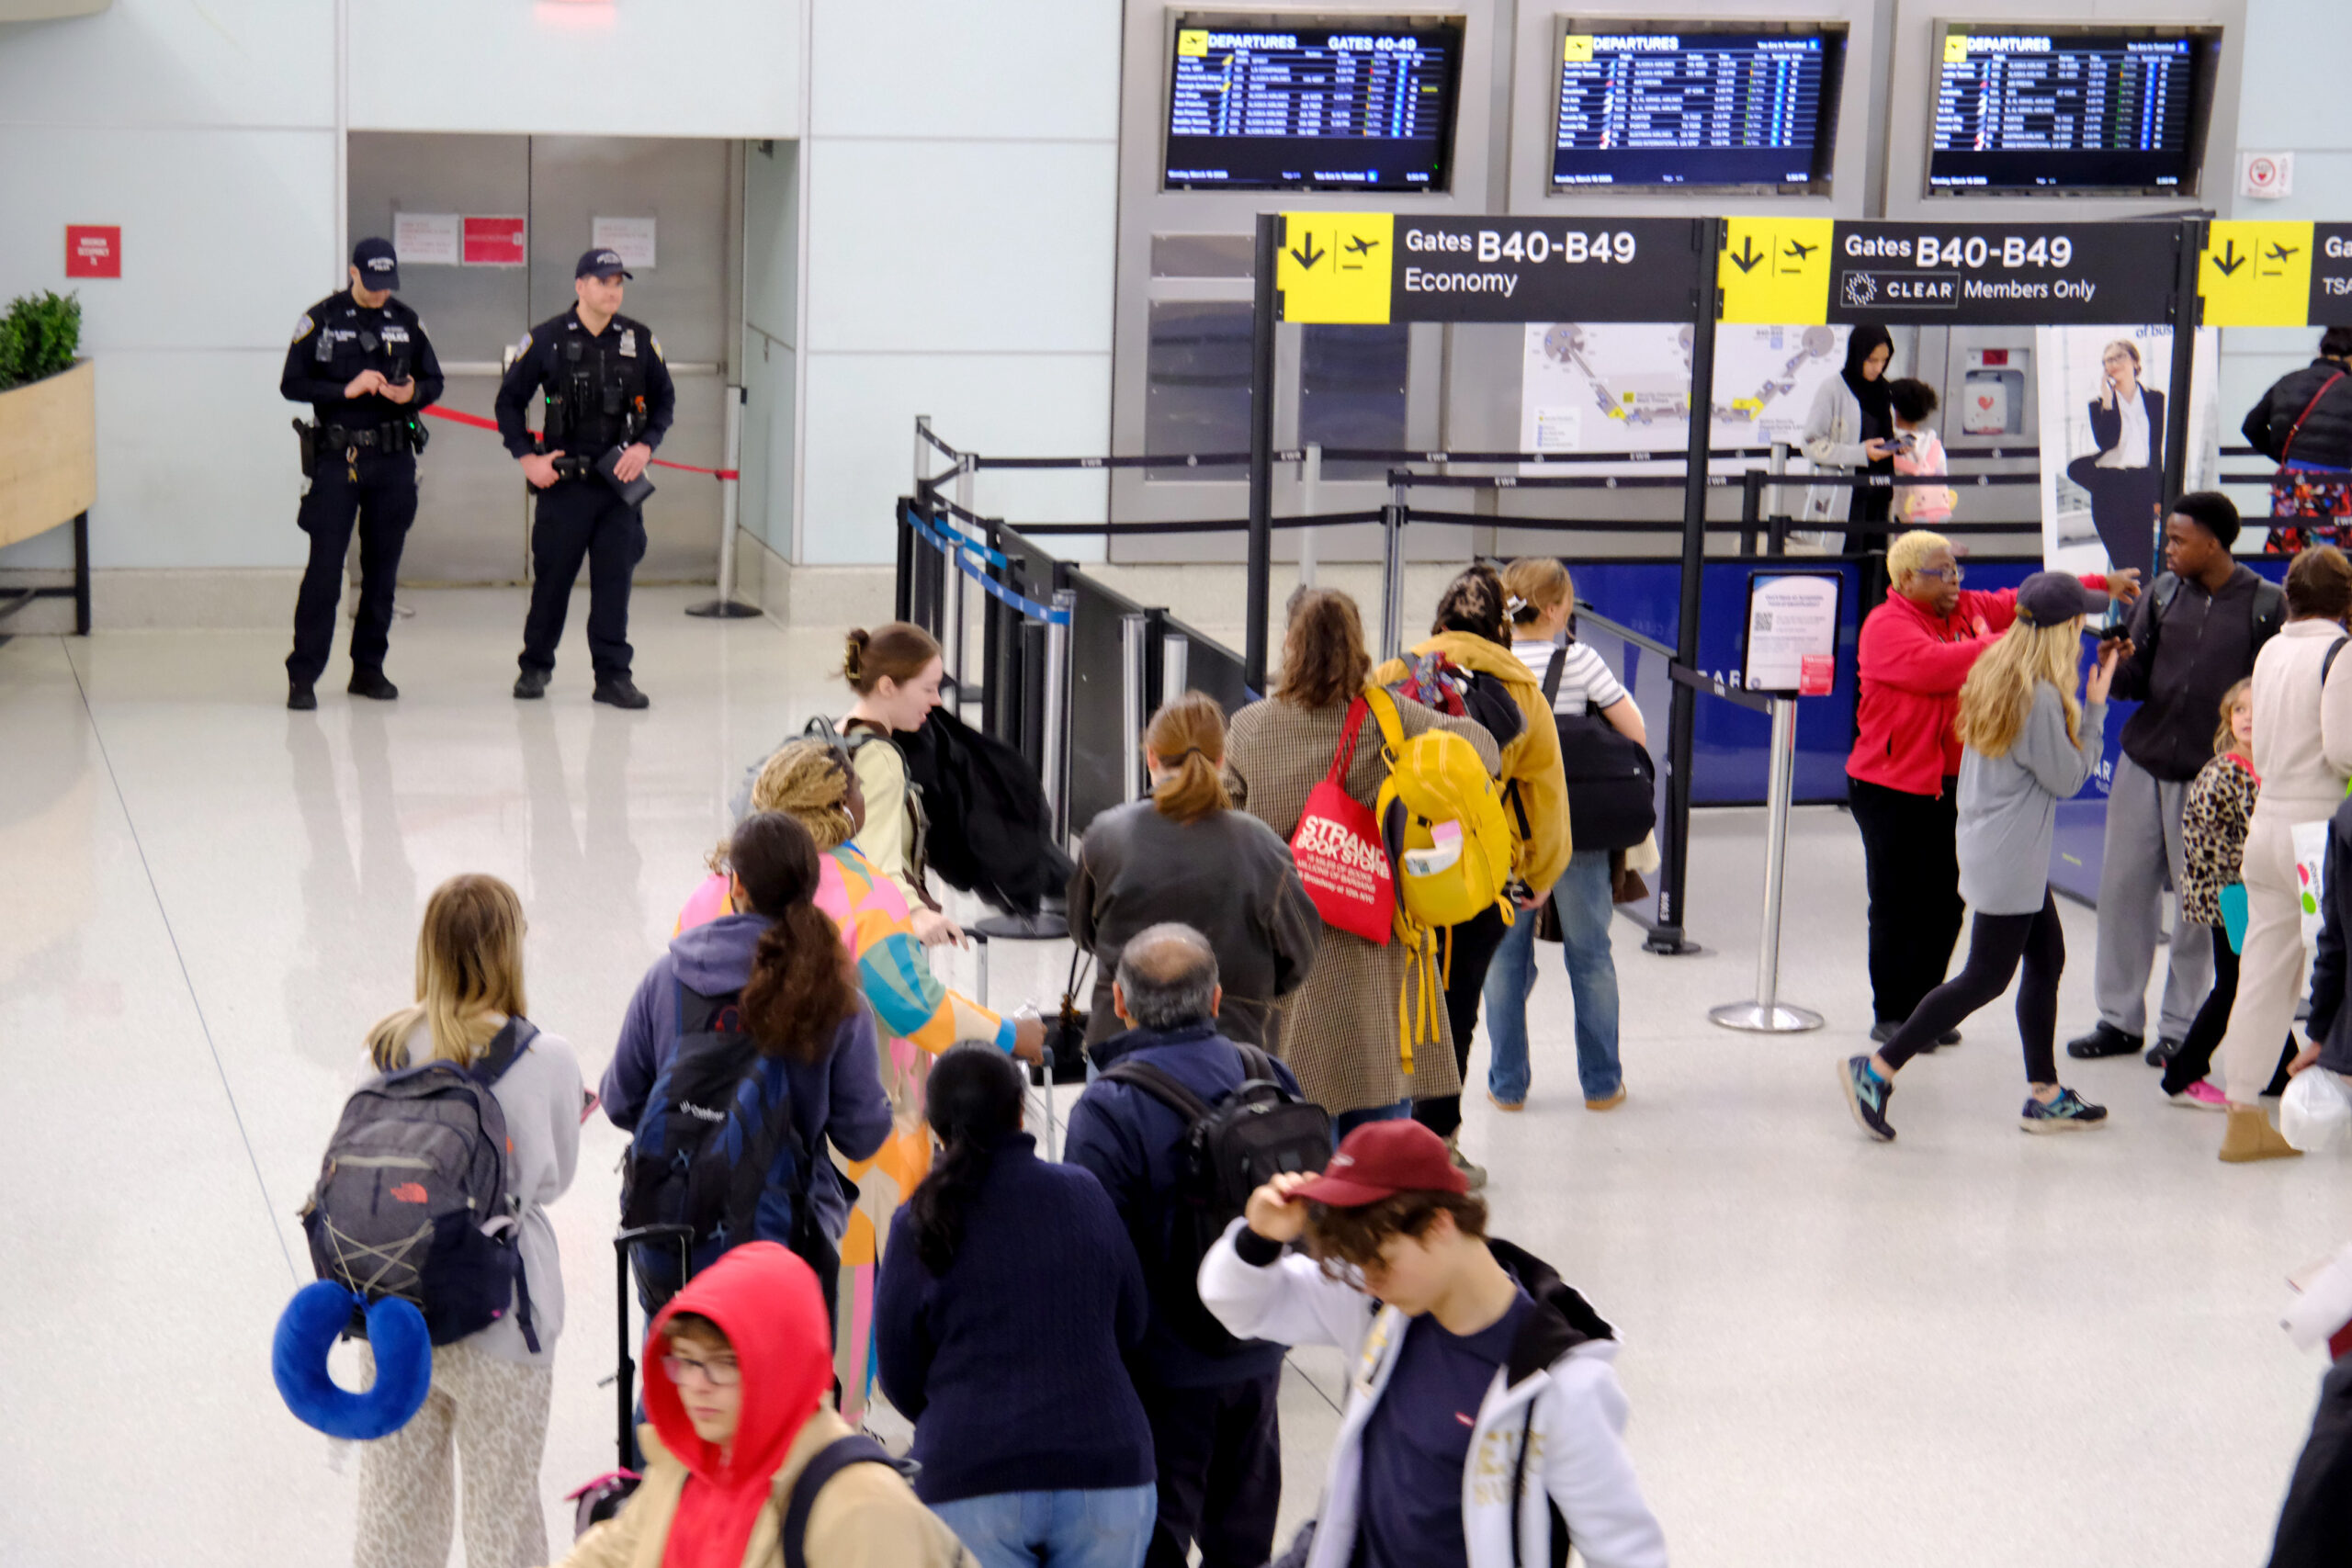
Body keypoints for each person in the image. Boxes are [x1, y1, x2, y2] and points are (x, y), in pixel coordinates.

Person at [679, 739, 1043, 1416]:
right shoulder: (862, 891)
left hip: (718, 1122)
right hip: (849, 1123)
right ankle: (839, 1422)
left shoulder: (714, 887)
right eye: (854, 790)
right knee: (849, 1280)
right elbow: (913, 1005)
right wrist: (1007, 1033)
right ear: (838, 806)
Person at [1196, 1120, 1668, 1568]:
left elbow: (1624, 1549)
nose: (1368, 1282)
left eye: (1381, 1262)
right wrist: (1258, 1239)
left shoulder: (1561, 1383)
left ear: (1440, 1225)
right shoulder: (1382, 1310)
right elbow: (1239, 1306)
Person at [1840, 572, 2121, 1142]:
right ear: (2064, 629)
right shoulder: (2039, 696)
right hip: (2012, 855)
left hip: (1997, 842)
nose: (2083, 631)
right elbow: (2067, 779)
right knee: (1984, 979)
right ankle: (1876, 1069)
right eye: (2079, 622)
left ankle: (2044, 1093)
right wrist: (2095, 710)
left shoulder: (1997, 669)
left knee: (2047, 959)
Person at [350, 874, 581, 1568]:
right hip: (502, 1311)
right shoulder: (545, 1057)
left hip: (395, 1307)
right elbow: (555, 1178)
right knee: (501, 1518)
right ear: (510, 950)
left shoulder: (384, 1047)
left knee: (394, 1513)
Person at [1063, 924, 1307, 1568]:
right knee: (1244, 1541)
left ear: (1120, 1001)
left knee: (1157, 1541)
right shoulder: (1267, 1071)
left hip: (1162, 1370)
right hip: (1256, 1354)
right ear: (1217, 997)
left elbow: (1093, 1251)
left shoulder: (1108, 1104)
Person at [1225, 589, 1499, 1134]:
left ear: (1290, 646)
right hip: (1378, 956)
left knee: (1300, 1136)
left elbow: (1227, 826)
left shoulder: (1250, 728)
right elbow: (1484, 749)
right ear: (1359, 649)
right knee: (1380, 1143)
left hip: (1288, 959)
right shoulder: (1389, 717)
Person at [876, 1045, 1158, 1568]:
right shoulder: (1085, 1194)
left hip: (969, 1474)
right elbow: (1133, 1323)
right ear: (1021, 1112)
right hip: (1107, 1465)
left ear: (936, 1128)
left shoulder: (918, 1220)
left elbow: (897, 1370)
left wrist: (958, 1407)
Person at [551, 1242, 978, 1568]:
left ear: (781, 1364)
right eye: (686, 1360)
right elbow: (612, 1553)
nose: (698, 1384)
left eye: (724, 1363)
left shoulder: (858, 1505)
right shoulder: (688, 1468)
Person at [604, 811, 893, 1289]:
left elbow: (620, 1102)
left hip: (673, 1241)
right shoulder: (836, 998)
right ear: (809, 888)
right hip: (784, 1245)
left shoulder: (667, 979)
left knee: (679, 1359)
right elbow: (861, 1135)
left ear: (735, 883)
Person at [1368, 563, 1568, 1184]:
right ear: (1498, 625)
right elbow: (1544, 794)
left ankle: (1379, 1135)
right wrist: (1538, 872)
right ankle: (1438, 1143)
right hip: (1475, 879)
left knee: (1389, 1004)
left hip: (1395, 871)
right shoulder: (1521, 690)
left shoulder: (1393, 675)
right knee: (1456, 1005)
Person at [2068, 493, 2282, 1066]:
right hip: (2143, 763)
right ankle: (2118, 1019)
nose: (2170, 549)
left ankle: (2181, 1025)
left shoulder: (2267, 606)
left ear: (2214, 543)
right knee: (2123, 895)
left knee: (2200, 908)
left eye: (2180, 540)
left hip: (2216, 783)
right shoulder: (2162, 595)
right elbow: (2136, 679)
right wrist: (2115, 667)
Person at [1069, 690, 1320, 1054]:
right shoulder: (1262, 847)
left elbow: (1082, 932)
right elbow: (1300, 955)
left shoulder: (1105, 836)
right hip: (1234, 1051)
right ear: (1221, 760)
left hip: (1122, 1043)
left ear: (1151, 755)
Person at [2211, 546, 2352, 1162]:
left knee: (2262, 976)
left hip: (2266, 826)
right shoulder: (2340, 654)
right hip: (2318, 837)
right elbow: (2344, 749)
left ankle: (2243, 1116)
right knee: (2338, 965)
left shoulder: (2271, 651)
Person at [496, 248, 676, 710]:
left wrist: (645, 446)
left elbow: (663, 403)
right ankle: (535, 666)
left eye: (618, 283)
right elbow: (508, 403)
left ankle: (613, 676)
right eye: (603, 282)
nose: (612, 291)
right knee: (552, 581)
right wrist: (526, 459)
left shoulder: (639, 339)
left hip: (619, 486)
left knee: (614, 584)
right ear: (580, 286)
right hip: (565, 484)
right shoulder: (547, 339)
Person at [1484, 557, 1632, 1116]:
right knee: (1591, 955)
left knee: (1503, 960)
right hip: (1571, 828)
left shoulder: (1491, 663)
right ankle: (1601, 1085)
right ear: (1556, 608)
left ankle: (1507, 1086)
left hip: (1503, 830)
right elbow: (1633, 732)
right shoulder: (1581, 660)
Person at [281, 237, 443, 711]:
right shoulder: (321, 319)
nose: (379, 294)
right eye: (371, 284)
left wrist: (411, 391)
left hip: (392, 462)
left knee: (382, 573)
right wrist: (344, 388)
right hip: (338, 460)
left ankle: (368, 669)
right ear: (353, 273)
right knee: (326, 572)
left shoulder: (406, 321)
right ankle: (304, 675)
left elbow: (433, 381)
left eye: (386, 285)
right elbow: (292, 383)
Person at [2161, 681, 2300, 1107]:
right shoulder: (2223, 772)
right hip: (2232, 898)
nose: (2248, 718)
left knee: (2255, 979)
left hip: (2255, 894)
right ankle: (2184, 1072)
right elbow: (2204, 843)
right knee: (2238, 983)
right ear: (2229, 719)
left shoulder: (2269, 770)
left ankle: (2283, 1069)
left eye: (2257, 711)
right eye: (2240, 710)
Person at [834, 623, 960, 946]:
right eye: (928, 689)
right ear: (888, 686)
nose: (936, 701)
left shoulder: (840, 733)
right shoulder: (880, 759)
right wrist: (916, 912)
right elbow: (873, 859)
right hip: (870, 935)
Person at [2064, 338, 2166, 580]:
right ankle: (2128, 617)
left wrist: (2158, 495)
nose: (2113, 363)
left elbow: (2156, 449)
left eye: (2119, 356)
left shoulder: (2155, 399)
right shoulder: (2098, 404)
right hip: (2110, 487)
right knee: (2124, 570)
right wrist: (2107, 401)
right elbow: (2107, 442)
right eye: (2107, 360)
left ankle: (2143, 618)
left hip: (2142, 483)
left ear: (2135, 361)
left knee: (2144, 568)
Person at [2244, 327, 2352, 554]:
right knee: (2329, 562)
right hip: (2336, 489)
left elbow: (2251, 426)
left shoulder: (2288, 381)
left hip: (2291, 484)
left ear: (2321, 351)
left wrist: (2287, 455)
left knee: (2285, 555)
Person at [1793, 323, 1896, 549]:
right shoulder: (1833, 389)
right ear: (1857, 354)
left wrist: (1896, 446)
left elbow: (1877, 433)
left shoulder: (1883, 391)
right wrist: (1860, 454)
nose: (1879, 368)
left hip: (1879, 495)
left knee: (1876, 567)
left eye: (1884, 360)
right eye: (1872, 360)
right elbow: (1810, 443)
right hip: (1845, 497)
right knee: (1844, 563)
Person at [1888, 378, 1956, 525]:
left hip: (1901, 516)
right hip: (1933, 514)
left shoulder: (1893, 443)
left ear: (1894, 410)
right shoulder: (1933, 443)